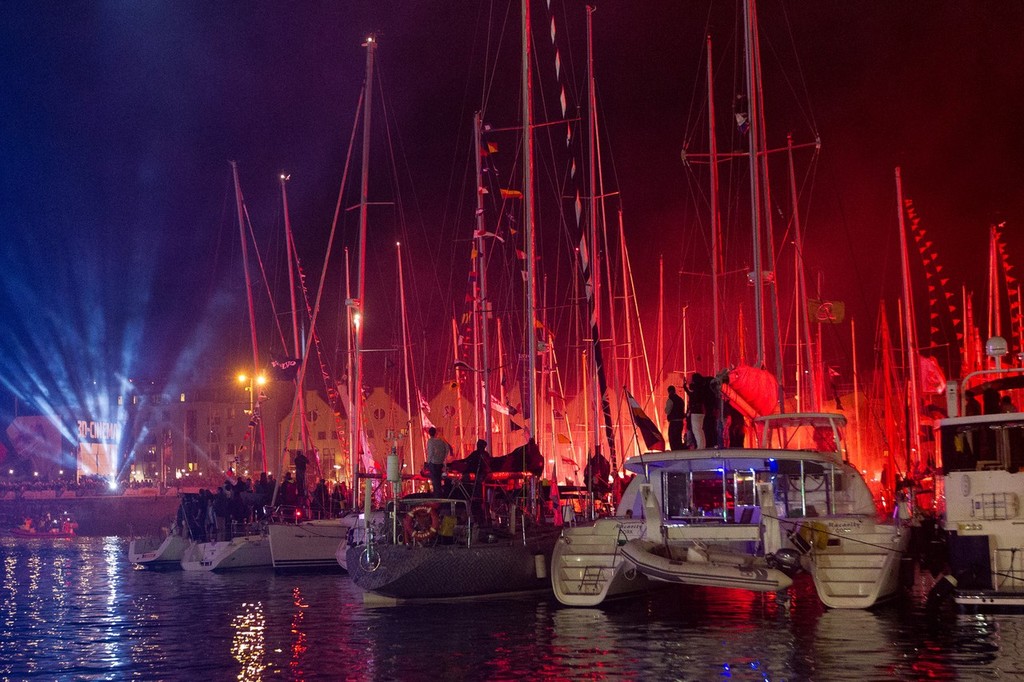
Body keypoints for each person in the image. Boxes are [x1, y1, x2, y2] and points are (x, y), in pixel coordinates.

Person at [425, 427, 453, 496]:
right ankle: (439, 492)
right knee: (438, 478)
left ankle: (437, 493)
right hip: (440, 462)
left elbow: (430, 452)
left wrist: (428, 462)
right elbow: (447, 448)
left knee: (434, 479)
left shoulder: (430, 441)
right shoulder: (441, 441)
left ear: (429, 433)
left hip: (433, 462)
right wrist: (443, 457)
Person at [665, 385, 686, 450]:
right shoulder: (680, 399)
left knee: (672, 437)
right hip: (680, 421)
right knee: (678, 437)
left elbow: (667, 411)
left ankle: (674, 450)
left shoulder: (670, 399)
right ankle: (679, 449)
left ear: (668, 391)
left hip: (673, 422)